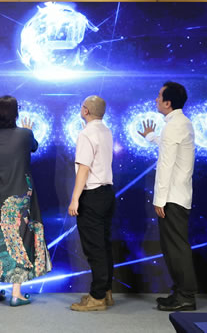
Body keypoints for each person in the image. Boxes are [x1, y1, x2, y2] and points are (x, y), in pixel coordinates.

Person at [0, 96, 52, 306]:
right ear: (15, 114)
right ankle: (16, 293)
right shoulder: (25, 135)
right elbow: (34, 147)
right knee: (21, 237)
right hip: (22, 195)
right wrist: (29, 130)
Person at [138, 82, 197, 311]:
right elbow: (167, 147)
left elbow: (166, 164)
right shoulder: (178, 123)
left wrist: (159, 199)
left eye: (159, 96)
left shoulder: (175, 125)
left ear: (168, 102)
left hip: (173, 197)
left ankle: (186, 295)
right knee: (173, 247)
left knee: (176, 248)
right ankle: (180, 292)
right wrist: (151, 136)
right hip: (177, 195)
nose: (156, 99)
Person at [69, 95, 115, 312]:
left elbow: (84, 169)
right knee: (104, 245)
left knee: (94, 248)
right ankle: (105, 291)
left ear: (85, 111)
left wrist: (75, 199)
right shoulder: (106, 131)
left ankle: (97, 297)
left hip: (92, 195)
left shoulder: (86, 134)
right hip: (107, 193)